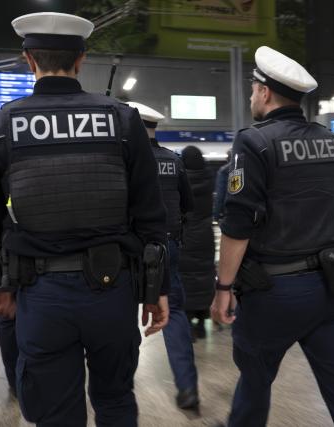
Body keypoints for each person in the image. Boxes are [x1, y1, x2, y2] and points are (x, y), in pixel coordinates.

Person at [0, 12, 170, 426]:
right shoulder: (123, 120)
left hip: (40, 295)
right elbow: (151, 214)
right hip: (114, 291)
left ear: (28, 60)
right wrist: (155, 289)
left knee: (56, 410)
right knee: (115, 399)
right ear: (81, 60)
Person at [210, 46, 334, 426]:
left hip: (276, 292)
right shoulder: (333, 142)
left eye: (254, 89)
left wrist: (224, 288)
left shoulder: (254, 142)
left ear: (265, 92)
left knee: (255, 382)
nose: (253, 96)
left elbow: (239, 222)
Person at [127, 101, 200, 409]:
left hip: (132, 247)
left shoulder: (125, 160)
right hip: (168, 246)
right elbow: (188, 205)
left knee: (122, 312)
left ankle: (121, 380)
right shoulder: (174, 160)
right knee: (176, 313)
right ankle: (188, 389)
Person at [178, 146, 216, 340]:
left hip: (186, 236)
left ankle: (189, 320)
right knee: (204, 274)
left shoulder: (181, 180)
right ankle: (201, 322)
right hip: (205, 235)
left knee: (187, 277)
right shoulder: (209, 179)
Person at [213, 151, 232, 222]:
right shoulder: (247, 169)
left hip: (228, 212)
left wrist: (216, 215)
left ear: (228, 158)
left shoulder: (224, 171)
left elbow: (220, 195)